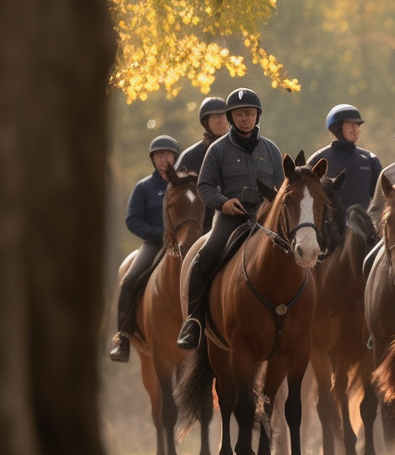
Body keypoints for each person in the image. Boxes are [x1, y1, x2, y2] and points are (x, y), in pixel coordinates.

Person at [175, 87, 286, 350]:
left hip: (265, 221)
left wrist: (273, 207)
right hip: (230, 218)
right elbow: (204, 186)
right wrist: (223, 204)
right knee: (206, 254)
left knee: (295, 254)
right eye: (238, 114)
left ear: (257, 116)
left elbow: (283, 189)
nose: (244, 118)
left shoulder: (270, 150)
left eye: (248, 113)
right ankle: (193, 321)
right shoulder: (217, 149)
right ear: (231, 118)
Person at [107, 134, 182, 362]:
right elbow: (132, 220)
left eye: (168, 154)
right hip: (154, 244)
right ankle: (123, 338)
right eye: (159, 155)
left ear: (175, 157)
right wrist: (159, 234)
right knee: (129, 281)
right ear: (153, 159)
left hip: (183, 244)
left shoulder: (185, 184)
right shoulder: (144, 188)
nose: (164, 159)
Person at [310, 103, 381, 214]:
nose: (355, 129)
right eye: (350, 125)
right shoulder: (319, 160)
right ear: (337, 128)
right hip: (329, 228)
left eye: (357, 125)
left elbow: (380, 201)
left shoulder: (370, 160)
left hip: (362, 227)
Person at [177, 96, 229, 231]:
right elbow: (178, 192)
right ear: (206, 122)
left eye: (222, 116)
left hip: (237, 215)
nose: (219, 120)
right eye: (214, 117)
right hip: (200, 223)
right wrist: (196, 200)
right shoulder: (190, 157)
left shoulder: (241, 150)